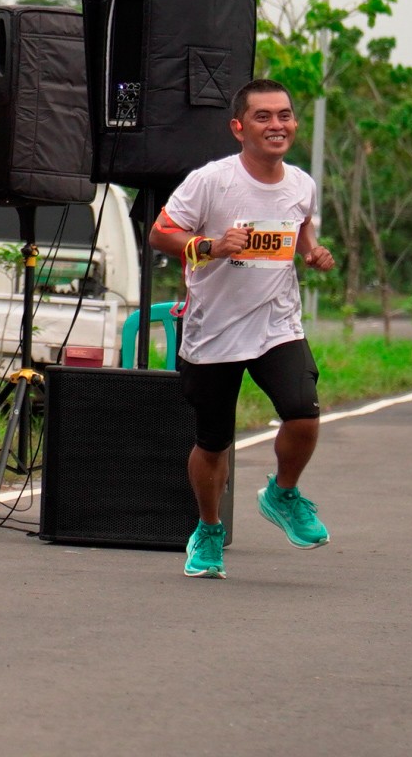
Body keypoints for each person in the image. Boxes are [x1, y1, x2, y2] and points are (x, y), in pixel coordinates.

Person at [147, 78, 336, 580]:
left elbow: (300, 227)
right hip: (214, 331)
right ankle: (208, 530)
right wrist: (210, 246)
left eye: (284, 115)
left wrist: (312, 252)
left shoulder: (301, 184)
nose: (277, 125)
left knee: (303, 412)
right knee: (213, 442)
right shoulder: (212, 181)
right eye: (263, 117)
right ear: (238, 127)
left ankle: (282, 494)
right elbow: (161, 233)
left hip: (276, 324)